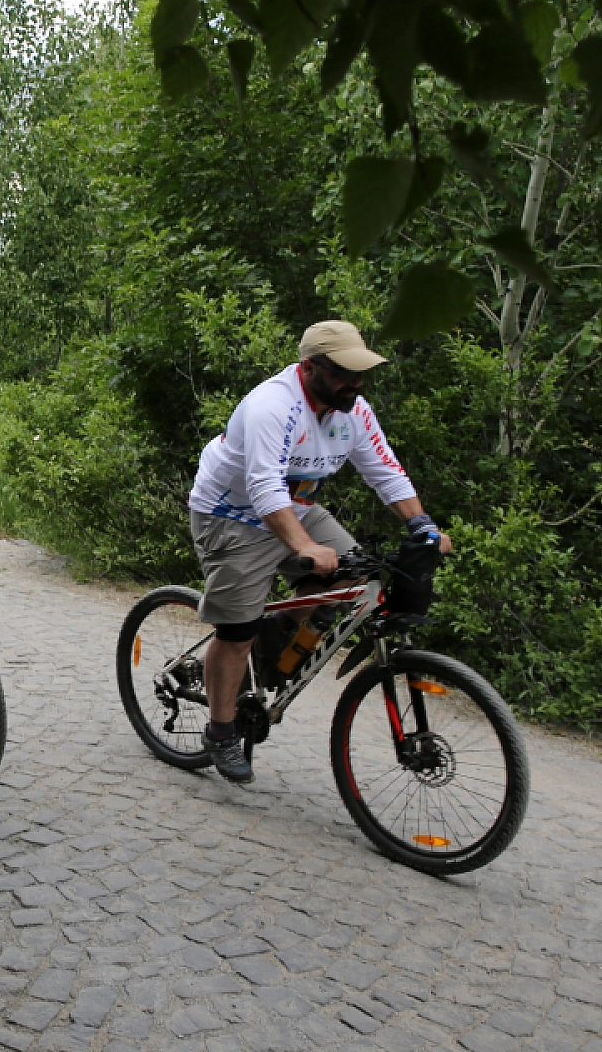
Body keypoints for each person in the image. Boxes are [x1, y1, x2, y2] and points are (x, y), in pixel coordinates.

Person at [185, 320, 453, 784]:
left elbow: (385, 471)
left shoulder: (354, 412)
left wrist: (421, 524)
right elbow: (264, 485)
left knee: (357, 579)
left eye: (360, 372)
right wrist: (305, 547)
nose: (356, 382)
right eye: (344, 372)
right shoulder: (274, 405)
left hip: (298, 509)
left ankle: (278, 633)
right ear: (310, 367)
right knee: (235, 629)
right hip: (233, 515)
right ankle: (222, 729)